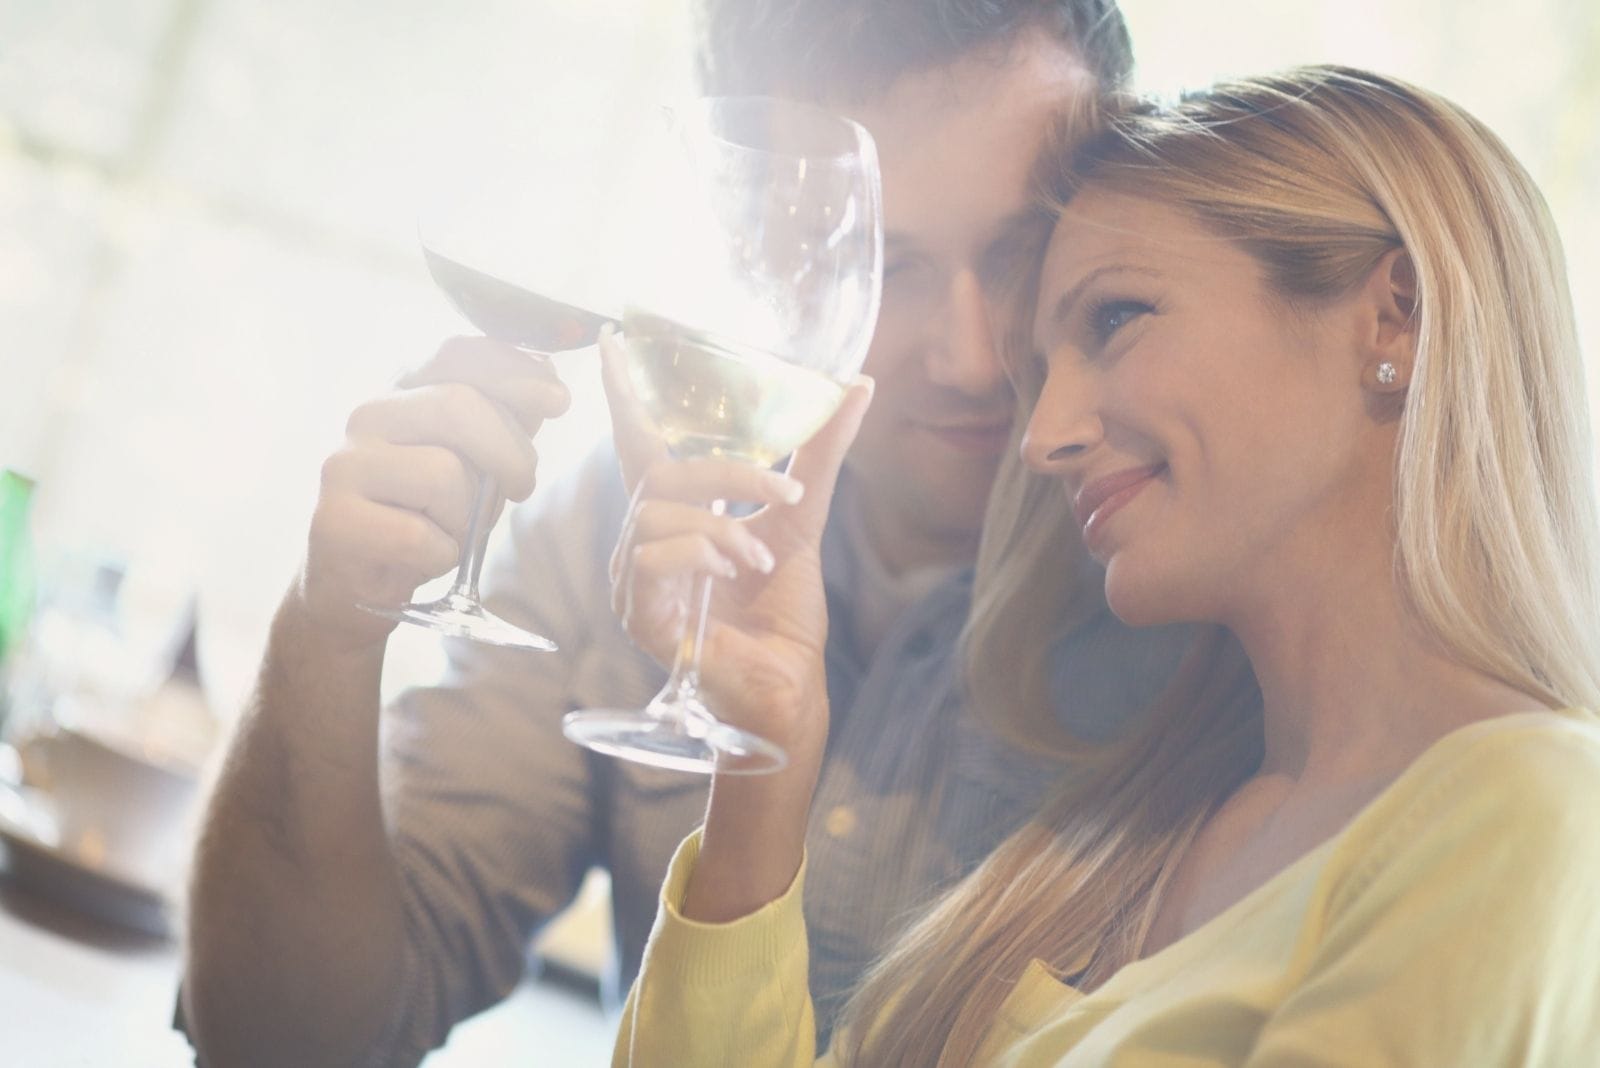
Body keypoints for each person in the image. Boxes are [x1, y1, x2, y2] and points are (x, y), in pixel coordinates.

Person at [179, 3, 1196, 1066]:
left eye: (1021, 250)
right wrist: (328, 630)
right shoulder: (615, 521)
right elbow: (283, 1043)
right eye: (883, 267)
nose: (972, 357)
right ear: (749, 251)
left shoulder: (1200, 599)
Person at [607, 65, 1600, 1065]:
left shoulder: (1534, 809)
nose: (1040, 437)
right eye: (1041, 371)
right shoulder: (1123, 831)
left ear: (1395, 316)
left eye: (1115, 319)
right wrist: (761, 751)